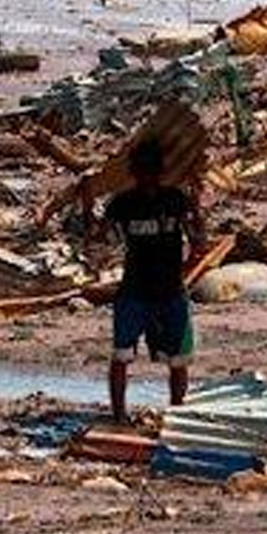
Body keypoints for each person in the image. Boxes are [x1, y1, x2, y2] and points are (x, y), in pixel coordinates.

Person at [93, 138, 203, 422]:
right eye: (143, 170)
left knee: (175, 360)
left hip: (165, 290)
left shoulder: (174, 200)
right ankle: (121, 416)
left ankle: (173, 414)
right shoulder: (124, 203)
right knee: (124, 356)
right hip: (138, 290)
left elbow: (198, 240)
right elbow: (99, 237)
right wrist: (85, 202)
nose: (146, 176)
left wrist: (197, 204)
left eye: (149, 170)